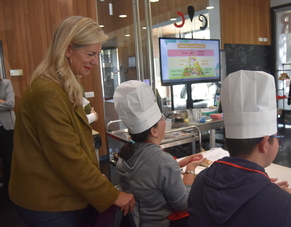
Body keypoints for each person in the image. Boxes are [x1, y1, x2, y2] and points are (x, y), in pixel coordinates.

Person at [9, 16, 135, 227]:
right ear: (68, 50)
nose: (95, 61)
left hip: (57, 194)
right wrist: (111, 195)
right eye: (90, 54)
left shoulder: (64, 85)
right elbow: (69, 157)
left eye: (98, 54)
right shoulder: (48, 92)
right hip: (45, 201)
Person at [188, 70, 291, 227]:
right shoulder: (288, 207)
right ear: (265, 143)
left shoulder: (200, 181)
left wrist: (262, 187)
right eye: (277, 139)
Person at [113, 80, 206, 227]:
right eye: (162, 118)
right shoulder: (162, 162)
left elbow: (148, 174)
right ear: (154, 131)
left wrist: (176, 165)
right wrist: (190, 170)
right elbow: (183, 204)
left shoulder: (126, 153)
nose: (165, 120)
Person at [0, 76, 15, 198]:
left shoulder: (5, 83)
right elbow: (6, 105)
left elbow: (11, 103)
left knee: (8, 159)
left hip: (6, 128)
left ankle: (10, 190)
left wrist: (5, 103)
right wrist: (1, 102)